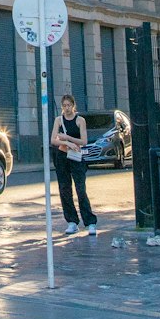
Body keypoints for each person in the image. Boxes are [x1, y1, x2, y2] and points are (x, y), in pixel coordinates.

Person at [50, 93, 98, 237]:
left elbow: (84, 141)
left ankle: (90, 221)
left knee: (80, 189)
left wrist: (69, 139)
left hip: (76, 157)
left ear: (73, 105)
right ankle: (72, 221)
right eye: (64, 106)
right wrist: (65, 142)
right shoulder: (58, 120)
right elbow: (53, 140)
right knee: (64, 188)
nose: (67, 108)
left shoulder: (80, 120)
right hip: (62, 156)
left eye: (69, 105)